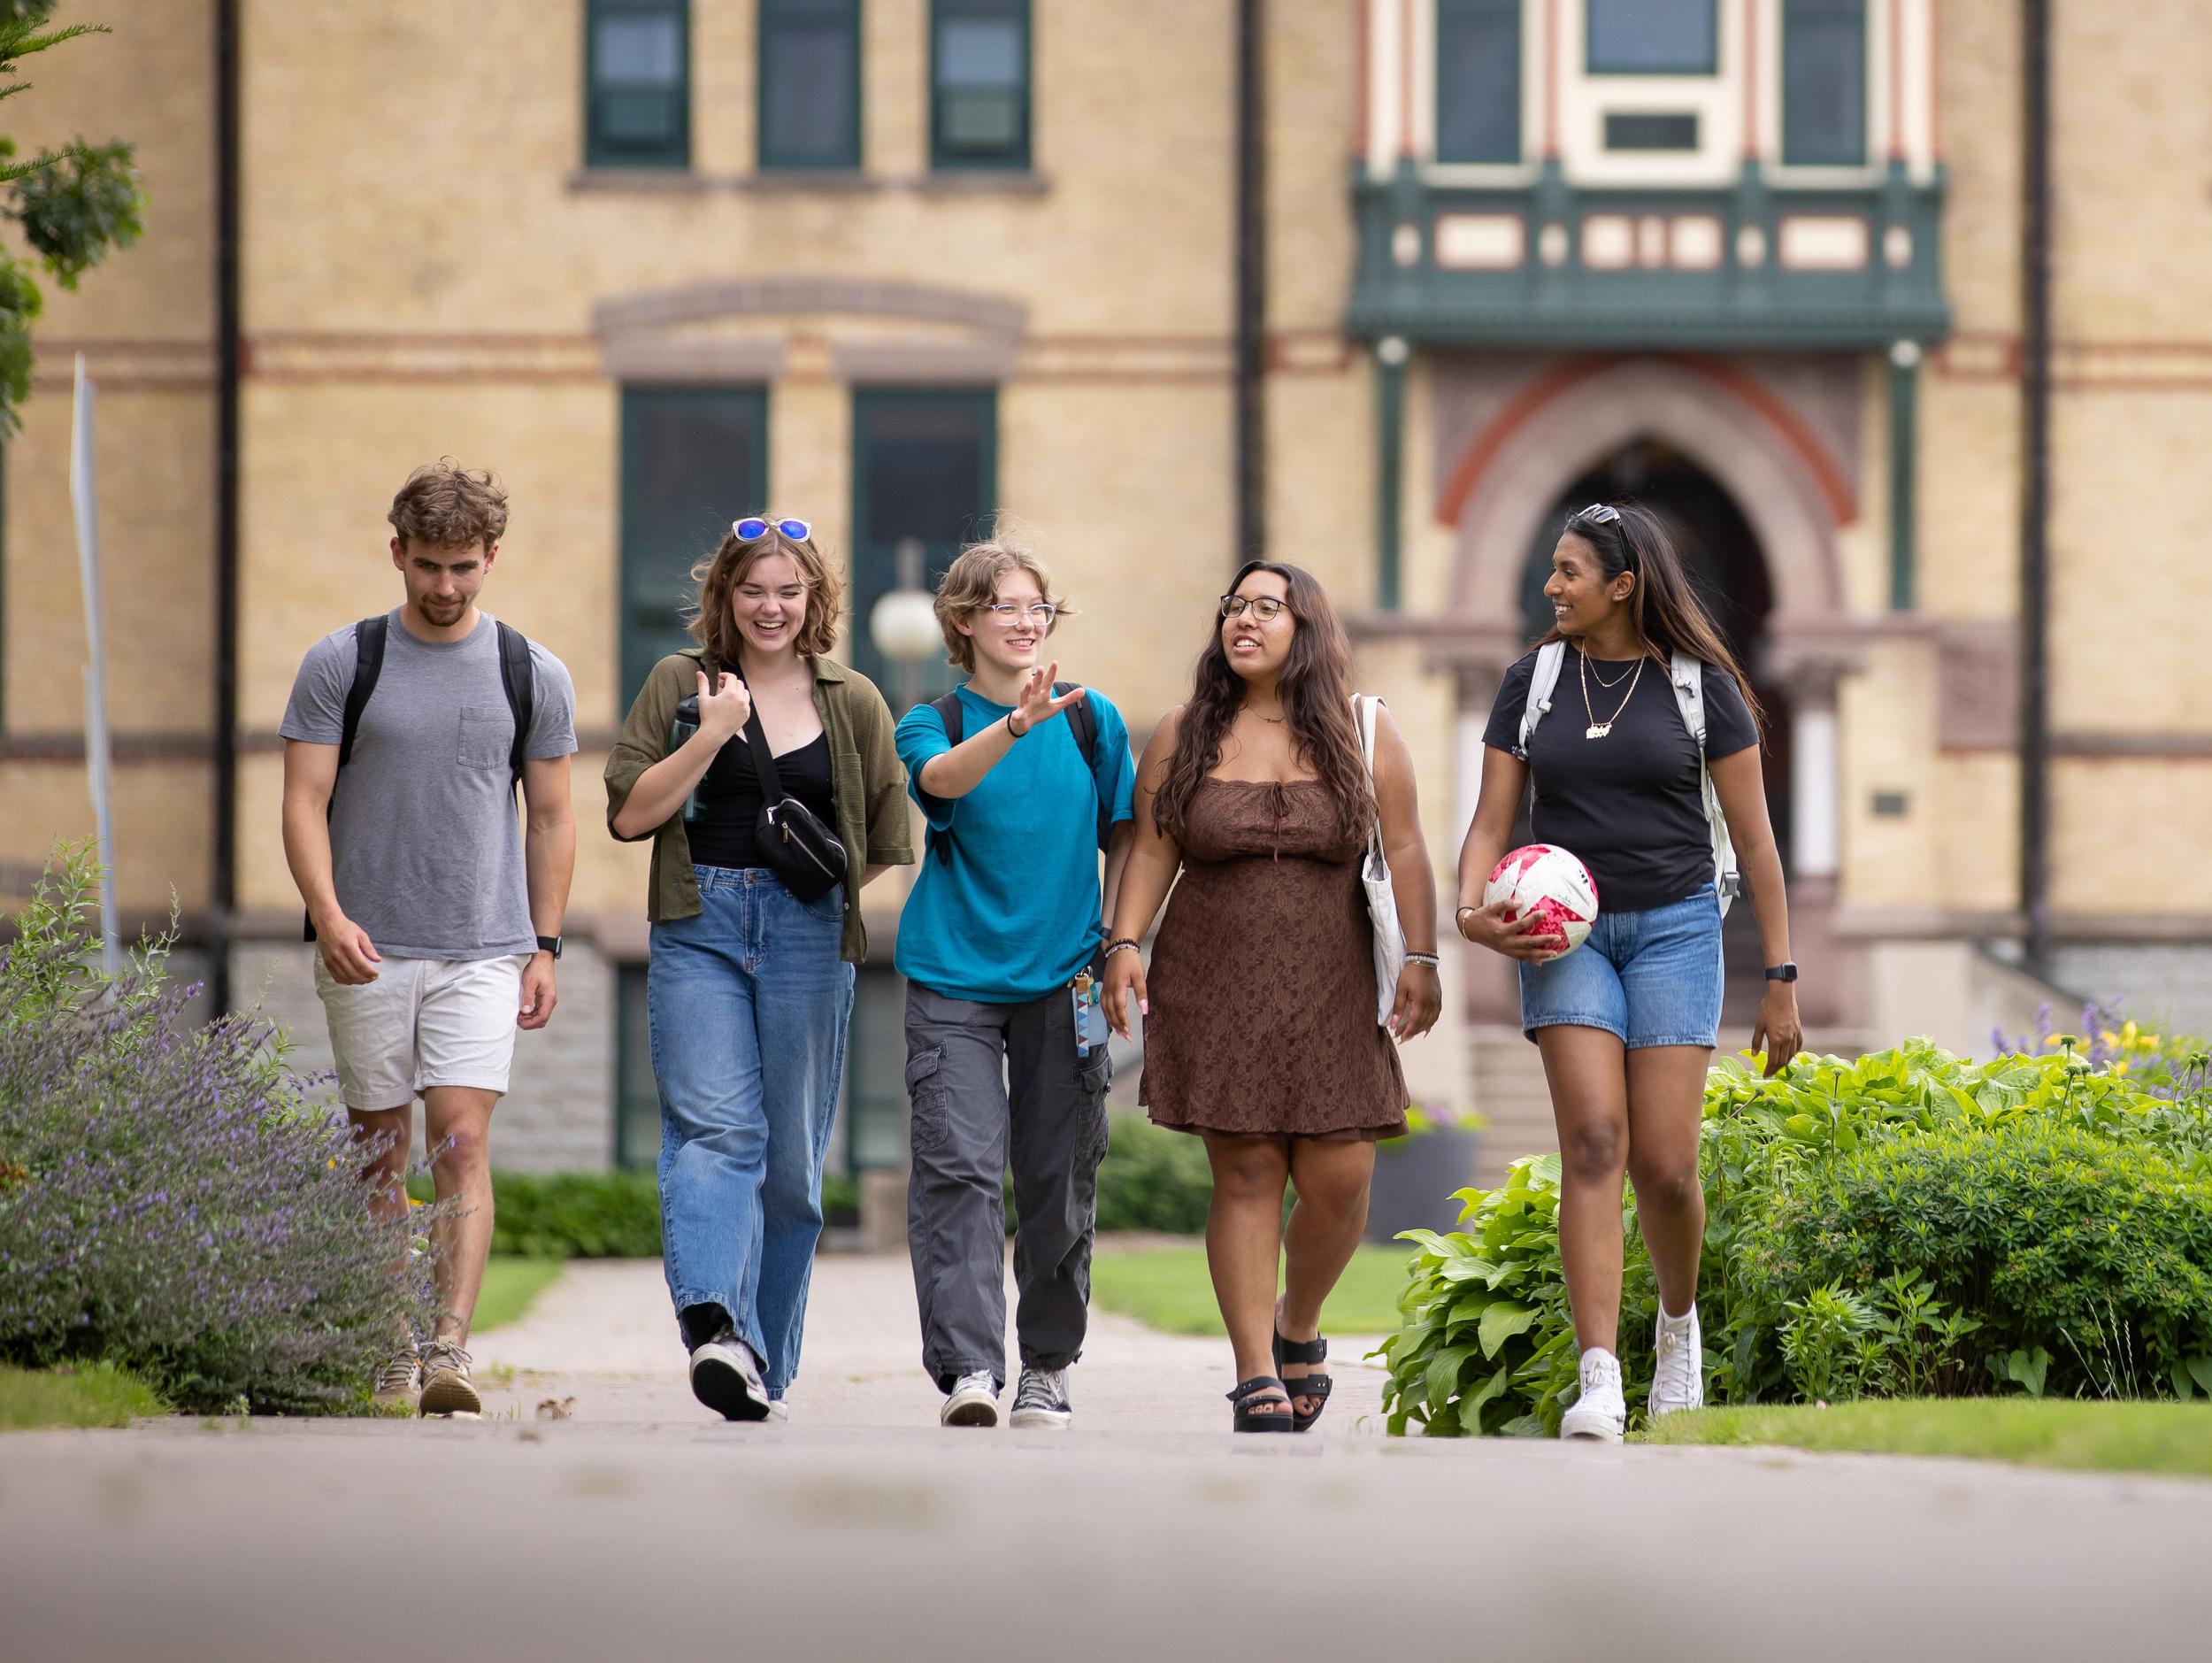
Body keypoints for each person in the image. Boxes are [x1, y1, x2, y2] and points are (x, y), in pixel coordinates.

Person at [1455, 500, 1801, 1443]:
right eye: (1551, 569)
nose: (1549, 586)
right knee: (1594, 1145)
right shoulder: (1532, 681)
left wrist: (1780, 973)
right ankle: (1598, 1374)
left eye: (1567, 571)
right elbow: (1490, 821)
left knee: (1665, 1164)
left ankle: (1676, 1332)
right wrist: (1468, 913)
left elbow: (1757, 839)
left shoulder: (1701, 688)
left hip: (1678, 929)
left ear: (1622, 585)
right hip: (1563, 938)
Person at [1103, 560, 1441, 1432]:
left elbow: (1404, 848)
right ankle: (1255, 1369)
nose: (1242, 620)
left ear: (1308, 627)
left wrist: (1423, 956)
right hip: (1215, 976)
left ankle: (1298, 1323)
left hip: (1332, 978)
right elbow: (1150, 849)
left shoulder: (1366, 730)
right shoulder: (1185, 732)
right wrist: (1125, 942)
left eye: (1266, 607)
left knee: (1341, 1171)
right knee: (1246, 1167)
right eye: (1234, 606)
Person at [280, 460, 578, 1418]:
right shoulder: (343, 661)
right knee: (378, 1150)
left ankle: (448, 1346)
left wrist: (546, 944)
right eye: (428, 567)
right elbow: (303, 801)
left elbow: (552, 817)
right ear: (397, 553)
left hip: (484, 946)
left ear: (492, 558)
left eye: (463, 567)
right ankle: (389, 1344)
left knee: (459, 1139)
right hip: (367, 942)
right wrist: (327, 914)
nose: (445, 587)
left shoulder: (530, 672)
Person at [606, 516, 911, 1422]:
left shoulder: (852, 698)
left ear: (814, 599)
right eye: (753, 590)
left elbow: (889, 839)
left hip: (809, 934)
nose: (770, 607)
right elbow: (629, 816)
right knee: (716, 1132)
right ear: (724, 597)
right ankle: (716, 1327)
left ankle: (759, 1361)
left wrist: (808, 883)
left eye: (789, 590)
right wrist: (710, 735)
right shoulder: (678, 683)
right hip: (698, 917)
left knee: (789, 1168)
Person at [895, 538, 1135, 1430]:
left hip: (1064, 978)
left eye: (1038, 607)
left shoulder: (1089, 717)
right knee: (957, 1170)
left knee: (1057, 1176)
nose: (1027, 621)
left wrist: (1123, 940)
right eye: (1005, 606)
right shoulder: (935, 719)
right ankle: (969, 1370)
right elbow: (937, 782)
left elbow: (1132, 833)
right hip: (952, 978)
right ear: (963, 621)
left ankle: (1047, 1365)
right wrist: (1014, 725)